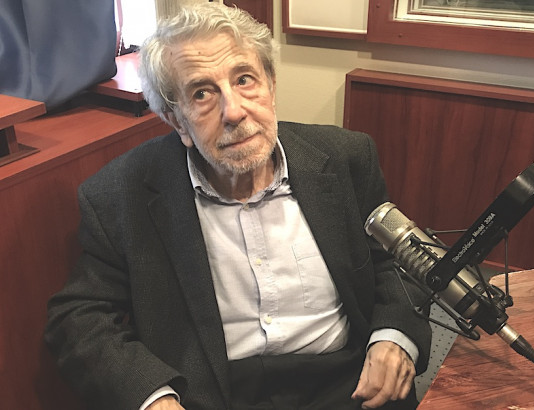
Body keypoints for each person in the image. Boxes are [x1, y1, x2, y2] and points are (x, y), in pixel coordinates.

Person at [44, 3, 431, 410]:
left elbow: (400, 262)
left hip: (349, 382)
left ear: (271, 86)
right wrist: (152, 396)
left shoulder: (346, 158)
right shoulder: (122, 193)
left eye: (244, 79)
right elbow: (79, 318)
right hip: (214, 394)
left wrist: (395, 334)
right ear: (177, 121)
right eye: (202, 93)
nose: (234, 111)